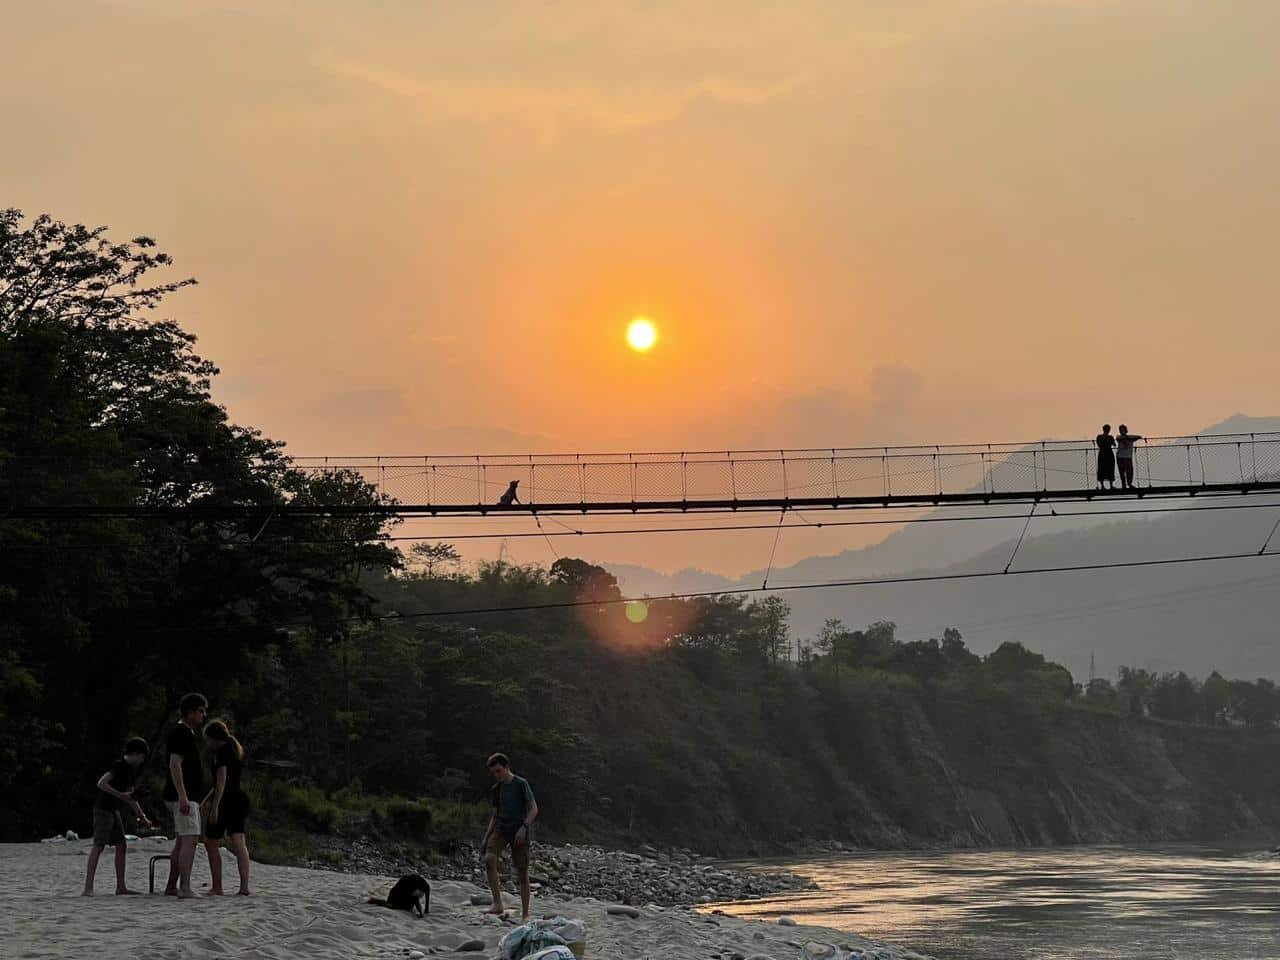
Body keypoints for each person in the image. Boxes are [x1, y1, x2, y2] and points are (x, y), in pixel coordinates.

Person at [82, 737, 152, 896]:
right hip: (103, 809)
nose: (142, 761)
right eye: (141, 757)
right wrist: (121, 795)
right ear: (135, 754)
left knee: (121, 845)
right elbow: (101, 783)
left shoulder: (131, 771)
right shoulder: (119, 766)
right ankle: (88, 888)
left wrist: (142, 816)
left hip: (114, 811)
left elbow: (131, 797)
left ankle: (121, 887)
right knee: (98, 846)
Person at [481, 753, 538, 920]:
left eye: (499, 771)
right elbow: (495, 814)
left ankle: (525, 913)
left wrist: (524, 827)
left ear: (506, 767)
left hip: (520, 829)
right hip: (501, 828)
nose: (497, 775)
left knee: (522, 872)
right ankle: (497, 903)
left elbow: (534, 809)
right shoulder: (497, 789)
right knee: (489, 859)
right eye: (494, 773)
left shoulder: (521, 784)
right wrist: (486, 836)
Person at [163, 692, 208, 899]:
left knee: (182, 841)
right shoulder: (181, 733)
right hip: (183, 796)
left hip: (185, 795)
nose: (203, 715)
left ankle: (172, 885)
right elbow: (175, 763)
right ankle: (185, 886)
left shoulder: (186, 733)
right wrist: (183, 796)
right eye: (200, 711)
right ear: (190, 712)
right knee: (189, 840)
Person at [201, 719, 252, 896]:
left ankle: (217, 886)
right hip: (238, 799)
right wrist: (207, 799)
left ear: (214, 738)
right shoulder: (233, 750)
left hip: (227, 801)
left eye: (207, 739)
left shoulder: (221, 753)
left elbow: (221, 782)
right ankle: (244, 886)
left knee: (211, 841)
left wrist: (214, 806)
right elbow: (219, 783)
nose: (206, 743)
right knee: (239, 842)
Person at [1116, 424, 1144, 490]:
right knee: (1122, 471)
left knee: (1129, 471)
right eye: (1120, 430)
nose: (1121, 431)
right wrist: (1129, 438)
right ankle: (1124, 485)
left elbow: (1138, 437)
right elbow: (1119, 438)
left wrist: (1130, 438)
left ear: (1125, 430)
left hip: (1128, 457)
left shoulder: (1130, 438)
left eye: (1122, 430)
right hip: (1120, 456)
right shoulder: (1119, 437)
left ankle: (1129, 484)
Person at [1095, 424, 1116, 490]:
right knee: (1106, 469)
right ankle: (1109, 486)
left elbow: (1099, 444)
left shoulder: (1100, 437)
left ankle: (1104, 486)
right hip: (1107, 453)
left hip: (1104, 454)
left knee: (1105, 469)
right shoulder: (1108, 437)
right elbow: (1114, 444)